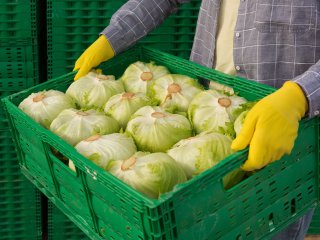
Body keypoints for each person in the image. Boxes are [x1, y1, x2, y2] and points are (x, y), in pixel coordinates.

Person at [73, 0, 319, 239]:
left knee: (269, 227)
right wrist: (114, 36)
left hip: (278, 135)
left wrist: (302, 95)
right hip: (200, 111)